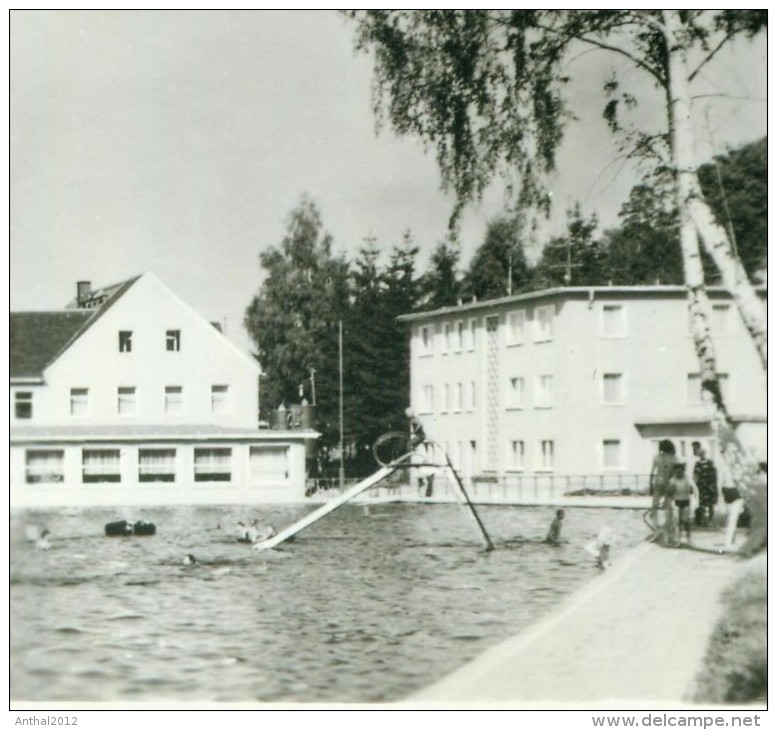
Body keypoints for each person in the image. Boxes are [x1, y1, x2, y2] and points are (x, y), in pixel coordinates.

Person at [648, 439, 678, 538]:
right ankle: (668, 530)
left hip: (659, 483)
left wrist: (650, 486)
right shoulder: (674, 458)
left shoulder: (656, 458)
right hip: (669, 483)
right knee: (669, 508)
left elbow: (652, 473)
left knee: (654, 507)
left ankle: (656, 530)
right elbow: (675, 475)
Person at [669, 462, 697, 544]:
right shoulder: (673, 480)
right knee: (677, 520)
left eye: (680, 471)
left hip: (686, 501)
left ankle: (688, 537)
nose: (678, 473)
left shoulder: (687, 479)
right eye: (676, 471)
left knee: (685, 520)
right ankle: (679, 538)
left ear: (683, 471)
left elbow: (695, 489)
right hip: (677, 501)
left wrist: (696, 499)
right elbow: (670, 492)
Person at [692, 444, 718, 527]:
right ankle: (703, 520)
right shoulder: (697, 464)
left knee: (710, 504)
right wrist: (694, 485)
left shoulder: (710, 463)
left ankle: (710, 519)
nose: (702, 455)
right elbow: (695, 475)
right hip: (701, 486)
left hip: (710, 485)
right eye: (701, 454)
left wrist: (714, 484)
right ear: (699, 455)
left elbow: (714, 474)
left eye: (703, 453)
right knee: (702, 504)